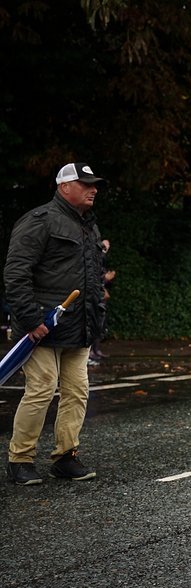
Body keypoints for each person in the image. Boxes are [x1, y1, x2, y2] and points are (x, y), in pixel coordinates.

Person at [4, 162, 108, 485]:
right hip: (40, 328)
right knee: (42, 387)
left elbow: (93, 279)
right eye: (85, 183)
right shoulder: (39, 221)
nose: (93, 189)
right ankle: (20, 459)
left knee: (78, 391)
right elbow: (16, 273)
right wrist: (31, 319)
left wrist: (96, 321)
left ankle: (65, 456)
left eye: (94, 184)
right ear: (64, 187)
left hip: (79, 328)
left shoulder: (90, 226)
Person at [90, 238, 116, 363]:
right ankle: (91, 351)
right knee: (94, 322)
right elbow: (93, 277)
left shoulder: (102, 259)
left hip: (100, 296)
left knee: (100, 324)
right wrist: (105, 278)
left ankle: (95, 349)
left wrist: (108, 279)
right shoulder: (96, 258)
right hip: (95, 296)